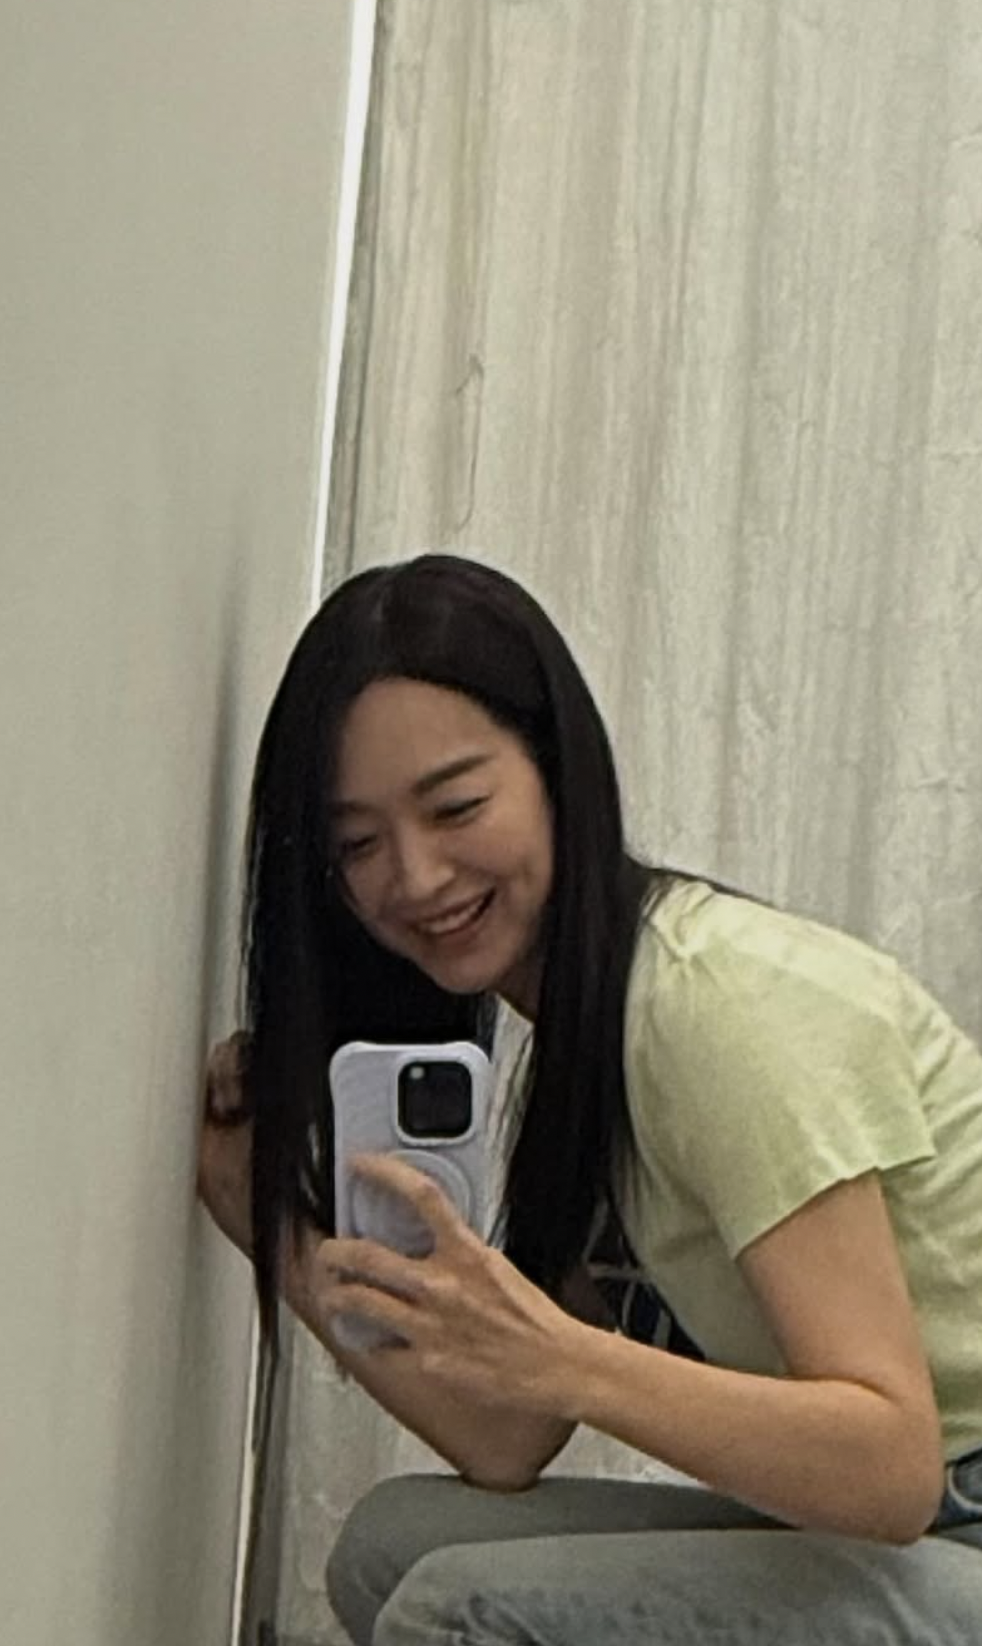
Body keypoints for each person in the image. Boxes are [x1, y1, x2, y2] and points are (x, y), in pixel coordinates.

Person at [198, 553, 982, 1644]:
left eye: (457, 805)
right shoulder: (583, 1043)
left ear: (559, 773)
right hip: (912, 1543)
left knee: (449, 1609)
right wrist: (267, 1209)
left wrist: (567, 1358)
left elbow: (888, 1466)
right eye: (358, 844)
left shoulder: (716, 1006)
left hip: (946, 1529)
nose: (415, 876)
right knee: (395, 1542)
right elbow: (506, 1437)